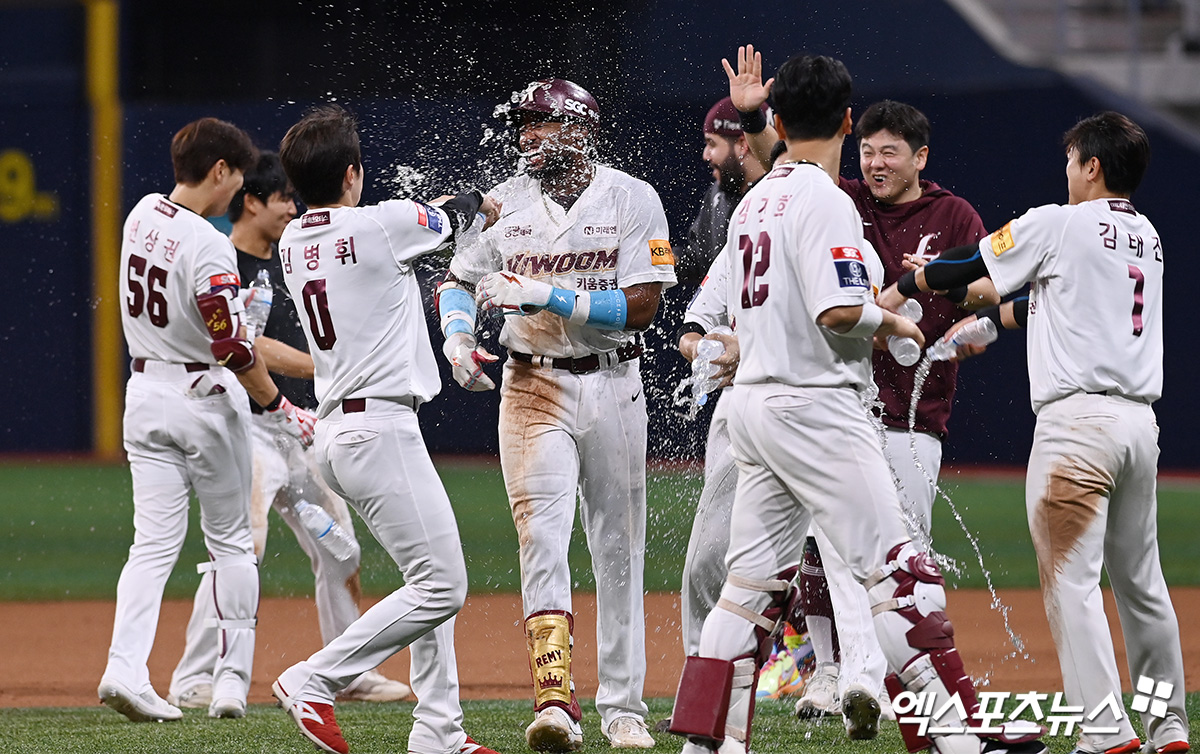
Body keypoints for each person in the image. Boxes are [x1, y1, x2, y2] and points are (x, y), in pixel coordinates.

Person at [666, 54, 1045, 754]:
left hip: (752, 408)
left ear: (775, 124)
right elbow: (841, 311)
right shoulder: (828, 201)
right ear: (847, 120)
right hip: (817, 408)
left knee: (746, 590)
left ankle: (707, 744)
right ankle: (959, 738)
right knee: (902, 572)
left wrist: (751, 112)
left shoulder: (756, 200)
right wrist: (897, 322)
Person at [879, 111, 1189, 754]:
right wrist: (990, 320)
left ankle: (1106, 734)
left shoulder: (1061, 221)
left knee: (1073, 586)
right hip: (1138, 428)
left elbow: (966, 262)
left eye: (1073, 160)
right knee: (1142, 585)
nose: (1068, 171)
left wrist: (908, 281)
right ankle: (1168, 726)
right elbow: (1044, 300)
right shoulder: (1148, 236)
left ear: (1092, 166)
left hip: (1077, 428)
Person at [438, 78, 675, 752]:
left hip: (613, 381)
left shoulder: (632, 198)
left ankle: (624, 705)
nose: (527, 138)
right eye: (523, 126)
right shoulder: (503, 204)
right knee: (542, 538)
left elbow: (644, 306)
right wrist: (458, 340)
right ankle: (554, 701)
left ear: (579, 130)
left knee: (618, 548)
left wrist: (547, 293)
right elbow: (456, 280)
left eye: (541, 124)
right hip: (530, 383)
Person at [269, 104, 501, 754]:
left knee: (425, 577)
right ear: (352, 173)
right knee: (443, 584)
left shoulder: (294, 239)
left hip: (344, 431)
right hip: (378, 431)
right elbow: (456, 212)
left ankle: (439, 734)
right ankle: (313, 678)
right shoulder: (382, 225)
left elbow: (400, 223)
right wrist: (486, 201)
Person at [167, 152, 411, 710]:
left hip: (300, 431)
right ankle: (194, 676)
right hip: (245, 431)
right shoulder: (220, 258)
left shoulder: (284, 259)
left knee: (341, 551)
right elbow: (248, 344)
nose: (291, 210)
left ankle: (347, 671)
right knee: (242, 549)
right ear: (252, 201)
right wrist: (327, 367)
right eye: (283, 200)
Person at [99, 118, 316, 722]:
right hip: (202, 398)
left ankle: (124, 669)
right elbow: (233, 346)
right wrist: (279, 405)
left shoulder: (140, 213)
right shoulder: (209, 243)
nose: (237, 189)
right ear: (220, 171)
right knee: (231, 548)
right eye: (237, 176)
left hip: (143, 394)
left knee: (152, 546)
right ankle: (229, 684)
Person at [673, 97, 768, 280]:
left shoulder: (780, 195)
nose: (705, 155)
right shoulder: (718, 194)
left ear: (742, 144)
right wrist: (664, 258)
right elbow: (699, 260)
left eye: (712, 143)